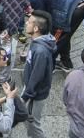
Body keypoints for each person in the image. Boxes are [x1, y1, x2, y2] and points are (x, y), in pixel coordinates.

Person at [27, 0, 84, 71]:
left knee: (56, 38)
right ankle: (65, 61)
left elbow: (43, 17)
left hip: (72, 10)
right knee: (65, 35)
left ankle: (49, 64)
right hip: (81, 1)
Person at [22, 9, 58, 138]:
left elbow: (37, 76)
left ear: (36, 28)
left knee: (33, 124)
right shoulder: (38, 42)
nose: (26, 23)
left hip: (34, 94)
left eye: (29, 22)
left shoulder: (41, 51)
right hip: (31, 90)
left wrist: (26, 96)